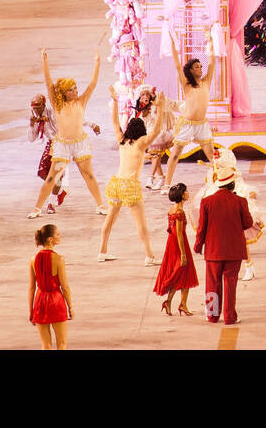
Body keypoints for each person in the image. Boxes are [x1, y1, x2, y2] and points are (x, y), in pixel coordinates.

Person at [31, 49, 105, 217]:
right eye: (71, 89)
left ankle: (101, 205)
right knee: (52, 178)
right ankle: (36, 208)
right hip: (63, 147)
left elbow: (93, 84)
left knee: (89, 176)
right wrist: (44, 60)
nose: (75, 91)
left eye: (76, 88)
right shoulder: (57, 105)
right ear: (63, 93)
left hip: (80, 145)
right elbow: (48, 83)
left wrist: (97, 63)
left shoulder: (81, 101)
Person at [98, 93, 160, 265]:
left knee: (109, 220)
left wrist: (116, 102)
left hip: (116, 183)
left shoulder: (121, 140)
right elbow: (157, 129)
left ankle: (102, 251)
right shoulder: (141, 143)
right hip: (129, 186)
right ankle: (149, 256)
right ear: (141, 132)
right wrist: (160, 108)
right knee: (141, 224)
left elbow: (115, 122)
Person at [193, 163, 253, 325]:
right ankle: (230, 316)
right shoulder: (240, 201)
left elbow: (202, 228)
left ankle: (212, 315)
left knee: (212, 284)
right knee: (230, 283)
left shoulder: (206, 202)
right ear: (232, 184)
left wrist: (198, 246)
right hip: (234, 250)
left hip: (213, 251)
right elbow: (248, 223)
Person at [163, 33, 217, 185]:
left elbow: (212, 62)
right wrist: (173, 42)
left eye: (200, 66)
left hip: (202, 124)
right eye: (196, 67)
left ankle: (220, 181)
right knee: (175, 154)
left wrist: (211, 40)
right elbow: (177, 65)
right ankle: (167, 183)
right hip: (187, 124)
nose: (200, 69)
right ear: (191, 70)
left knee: (212, 155)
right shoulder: (186, 84)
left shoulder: (206, 81)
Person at [153, 183, 198, 316]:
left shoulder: (173, 209)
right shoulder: (179, 211)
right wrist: (183, 254)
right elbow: (179, 234)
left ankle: (176, 302)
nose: (188, 193)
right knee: (184, 272)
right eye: (186, 191)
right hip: (179, 245)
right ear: (182, 195)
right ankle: (181, 304)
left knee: (179, 273)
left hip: (172, 244)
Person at [29, 223, 72, 350]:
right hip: (56, 301)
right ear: (50, 239)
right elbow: (65, 287)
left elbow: (31, 288)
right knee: (62, 344)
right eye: (58, 234)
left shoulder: (33, 259)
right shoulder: (59, 259)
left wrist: (31, 310)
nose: (60, 236)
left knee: (45, 345)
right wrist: (70, 307)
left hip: (40, 301)